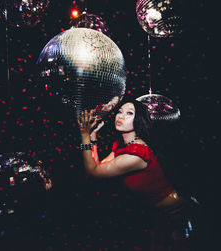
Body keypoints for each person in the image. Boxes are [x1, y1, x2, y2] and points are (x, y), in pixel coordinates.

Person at [77, 98, 201, 251]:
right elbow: (98, 167)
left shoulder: (136, 155)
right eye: (120, 111)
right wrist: (92, 136)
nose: (121, 116)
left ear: (139, 120)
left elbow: (93, 172)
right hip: (160, 214)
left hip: (177, 213)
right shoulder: (123, 146)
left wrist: (84, 135)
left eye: (129, 113)